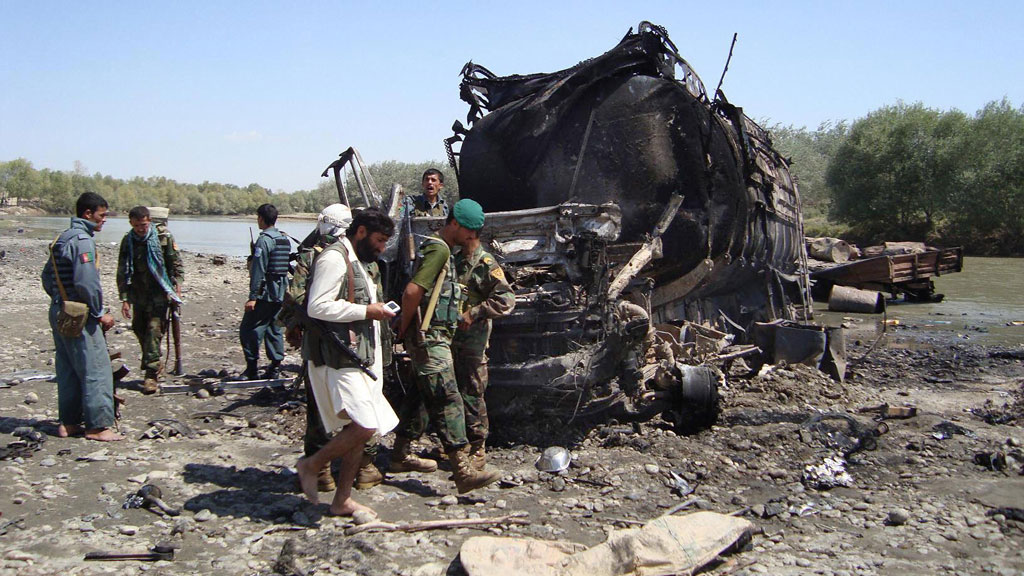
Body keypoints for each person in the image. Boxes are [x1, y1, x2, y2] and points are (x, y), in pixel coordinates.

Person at [393, 199, 501, 494]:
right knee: (447, 399)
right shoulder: (440, 249)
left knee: (419, 396)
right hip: (431, 339)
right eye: (469, 231)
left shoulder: (447, 251)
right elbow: (413, 291)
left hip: (436, 337)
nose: (472, 238)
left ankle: (400, 453)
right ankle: (463, 470)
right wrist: (403, 328)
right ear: (453, 224)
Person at [295, 207, 397, 517]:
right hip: (338, 359)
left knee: (362, 426)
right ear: (361, 232)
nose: (381, 248)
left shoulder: (359, 262)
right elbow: (317, 306)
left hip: (359, 358)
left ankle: (342, 499)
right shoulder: (333, 258)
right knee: (365, 425)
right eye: (379, 240)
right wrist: (368, 312)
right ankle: (311, 465)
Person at [41, 192, 122, 442]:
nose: (104, 220)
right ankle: (98, 427)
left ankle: (70, 423)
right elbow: (87, 283)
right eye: (102, 215)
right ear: (87, 214)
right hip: (80, 315)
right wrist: (99, 313)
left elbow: (46, 278)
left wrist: (60, 298)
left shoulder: (61, 238)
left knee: (67, 368)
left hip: (59, 310)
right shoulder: (82, 240)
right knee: (96, 368)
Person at [452, 227, 515, 470]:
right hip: (451, 339)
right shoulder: (456, 260)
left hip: (474, 342)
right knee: (454, 392)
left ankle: (478, 447)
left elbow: (506, 300)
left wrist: (474, 313)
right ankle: (459, 444)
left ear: (469, 233)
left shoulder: (486, 263)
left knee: (472, 393)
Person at [116, 206, 183, 394]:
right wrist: (125, 298)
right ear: (131, 223)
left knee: (154, 330)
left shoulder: (163, 238)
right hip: (139, 295)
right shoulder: (128, 241)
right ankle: (154, 360)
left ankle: (151, 374)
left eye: (144, 225)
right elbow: (122, 271)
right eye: (137, 225)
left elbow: (175, 262)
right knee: (139, 329)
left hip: (160, 294)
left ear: (150, 221)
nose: (141, 229)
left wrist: (177, 285)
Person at [239, 203, 290, 380]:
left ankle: (252, 368)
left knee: (249, 329)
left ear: (261, 218)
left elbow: (258, 270)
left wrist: (252, 297)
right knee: (274, 328)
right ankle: (275, 366)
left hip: (266, 292)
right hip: (281, 292)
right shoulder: (284, 238)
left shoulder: (264, 240)